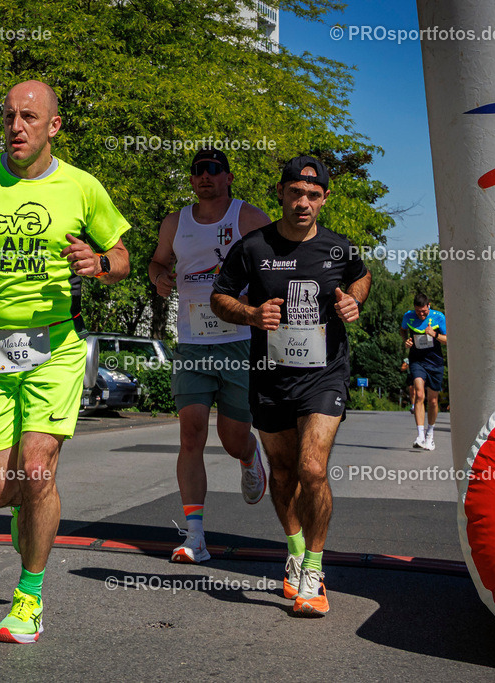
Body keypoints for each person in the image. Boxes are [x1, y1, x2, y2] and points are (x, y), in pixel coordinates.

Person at [0, 80, 130, 644]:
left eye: (29, 117)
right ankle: (25, 513)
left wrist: (99, 263)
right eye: (9, 116)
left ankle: (30, 597)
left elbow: (122, 257)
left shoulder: (82, 187)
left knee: (37, 470)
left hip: (54, 348)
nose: (16, 127)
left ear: (53, 126)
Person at [211, 155, 371, 616]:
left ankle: (315, 570)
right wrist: (249, 313)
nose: (304, 202)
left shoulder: (338, 249)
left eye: (313, 195)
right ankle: (296, 550)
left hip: (324, 374)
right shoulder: (252, 247)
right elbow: (219, 296)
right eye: (296, 193)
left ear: (324, 199)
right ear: (280, 193)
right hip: (270, 376)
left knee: (312, 469)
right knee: (281, 473)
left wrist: (351, 303)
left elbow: (361, 279)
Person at [148, 148, 271, 564]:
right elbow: (157, 262)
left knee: (232, 438)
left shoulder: (249, 217)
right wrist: (161, 278)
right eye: (198, 171)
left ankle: (250, 455)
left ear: (228, 176)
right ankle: (195, 535)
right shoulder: (175, 222)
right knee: (191, 433)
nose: (205, 177)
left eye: (213, 170)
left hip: (239, 339)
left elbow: (277, 263)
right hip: (193, 342)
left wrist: (259, 301)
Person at [401, 293, 447, 450]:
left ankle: (430, 434)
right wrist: (406, 340)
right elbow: (403, 330)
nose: (421, 315)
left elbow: (449, 339)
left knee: (433, 400)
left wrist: (434, 334)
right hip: (417, 360)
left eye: (424, 312)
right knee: (419, 394)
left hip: (435, 362)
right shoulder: (408, 316)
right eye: (418, 311)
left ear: (429, 305)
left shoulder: (438, 317)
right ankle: (420, 436)